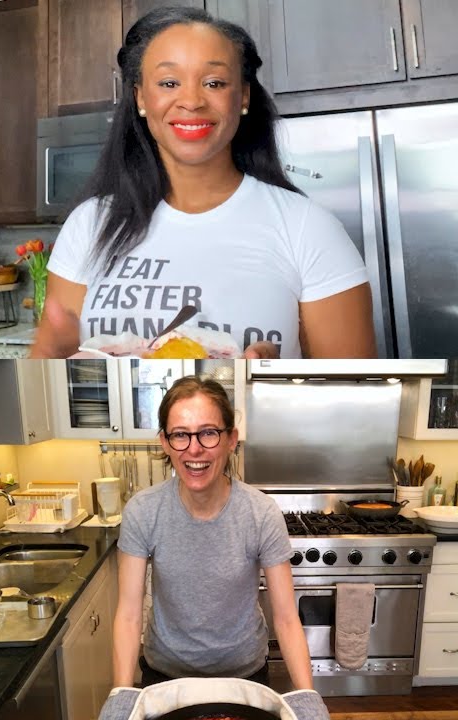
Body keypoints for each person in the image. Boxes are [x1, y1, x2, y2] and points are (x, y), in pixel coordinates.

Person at [32, 6, 374, 360]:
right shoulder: (90, 224)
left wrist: (274, 384)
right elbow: (49, 385)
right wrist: (51, 358)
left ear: (242, 96)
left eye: (214, 83)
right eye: (168, 83)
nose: (192, 101)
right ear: (140, 98)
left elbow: (355, 394)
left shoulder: (307, 227)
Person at [112, 376, 312, 690]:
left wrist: (307, 695)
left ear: (231, 439)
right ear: (165, 442)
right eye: (180, 435)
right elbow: (128, 615)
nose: (194, 449)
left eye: (208, 433)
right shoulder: (143, 511)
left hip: (244, 677)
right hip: (165, 677)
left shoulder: (261, 513)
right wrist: (121, 693)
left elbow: (286, 619)